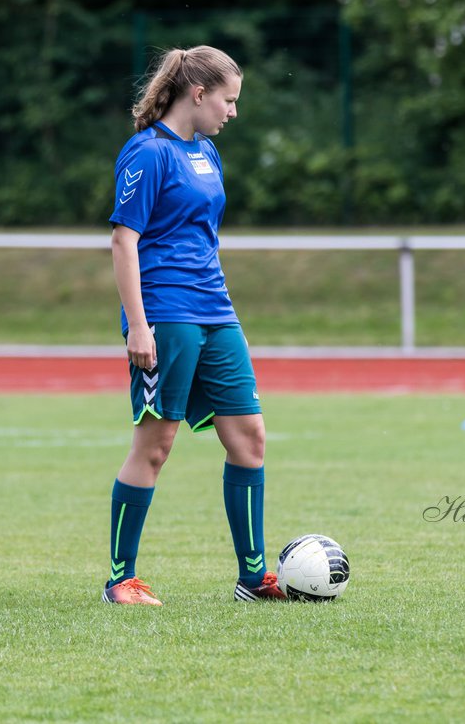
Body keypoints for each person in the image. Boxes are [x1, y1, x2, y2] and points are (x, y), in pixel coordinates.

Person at [102, 46, 284, 605]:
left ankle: (253, 579)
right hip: (166, 313)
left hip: (214, 310)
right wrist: (138, 325)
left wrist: (229, 319)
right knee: (156, 445)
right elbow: (123, 241)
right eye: (228, 100)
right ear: (198, 94)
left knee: (249, 439)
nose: (233, 112)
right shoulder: (147, 153)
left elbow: (204, 241)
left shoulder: (206, 153)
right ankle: (120, 580)